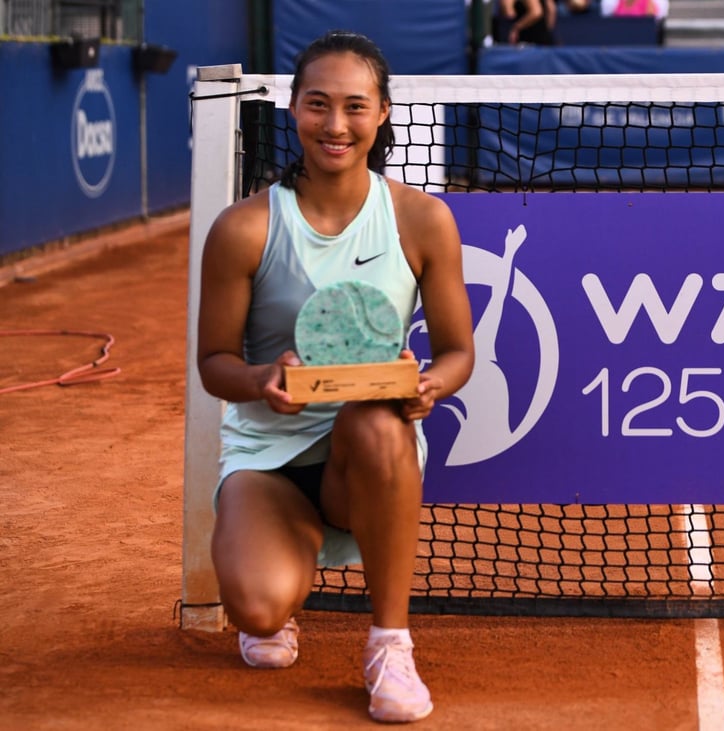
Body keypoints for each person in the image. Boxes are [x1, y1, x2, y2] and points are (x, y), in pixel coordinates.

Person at [197, 30, 475, 724]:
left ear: (382, 113)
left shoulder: (423, 220)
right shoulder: (244, 227)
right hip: (271, 456)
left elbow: (457, 352)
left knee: (377, 421)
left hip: (367, 454)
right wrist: (262, 377)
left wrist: (428, 387)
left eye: (355, 106)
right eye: (318, 104)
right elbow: (213, 363)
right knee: (258, 609)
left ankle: (389, 646)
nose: (336, 124)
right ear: (293, 110)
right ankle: (281, 561)